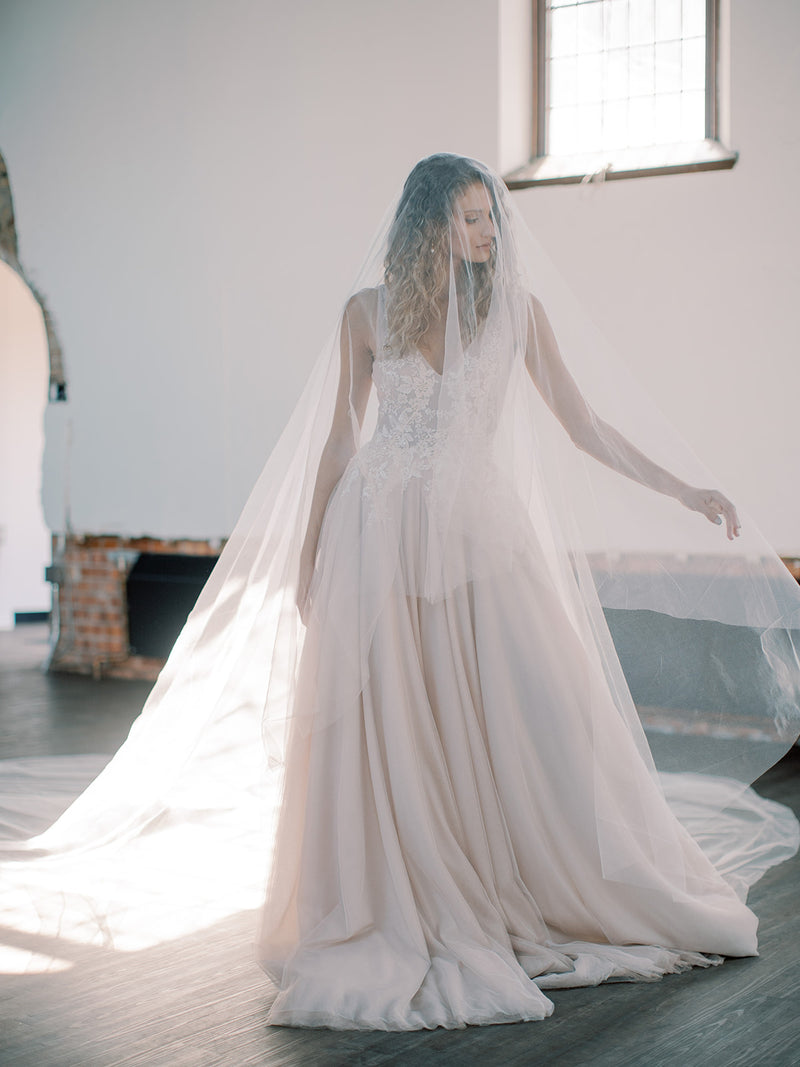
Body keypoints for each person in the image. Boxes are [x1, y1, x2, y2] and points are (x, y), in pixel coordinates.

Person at [0, 154, 798, 1032]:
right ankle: (407, 887)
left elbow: (584, 427)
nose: (488, 234)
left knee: (531, 709)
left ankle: (523, 878)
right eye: (468, 219)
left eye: (491, 217)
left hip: (473, 538)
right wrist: (307, 555)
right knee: (394, 723)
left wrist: (687, 490)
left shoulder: (516, 315)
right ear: (427, 225)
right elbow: (340, 445)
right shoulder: (365, 313)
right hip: (374, 536)